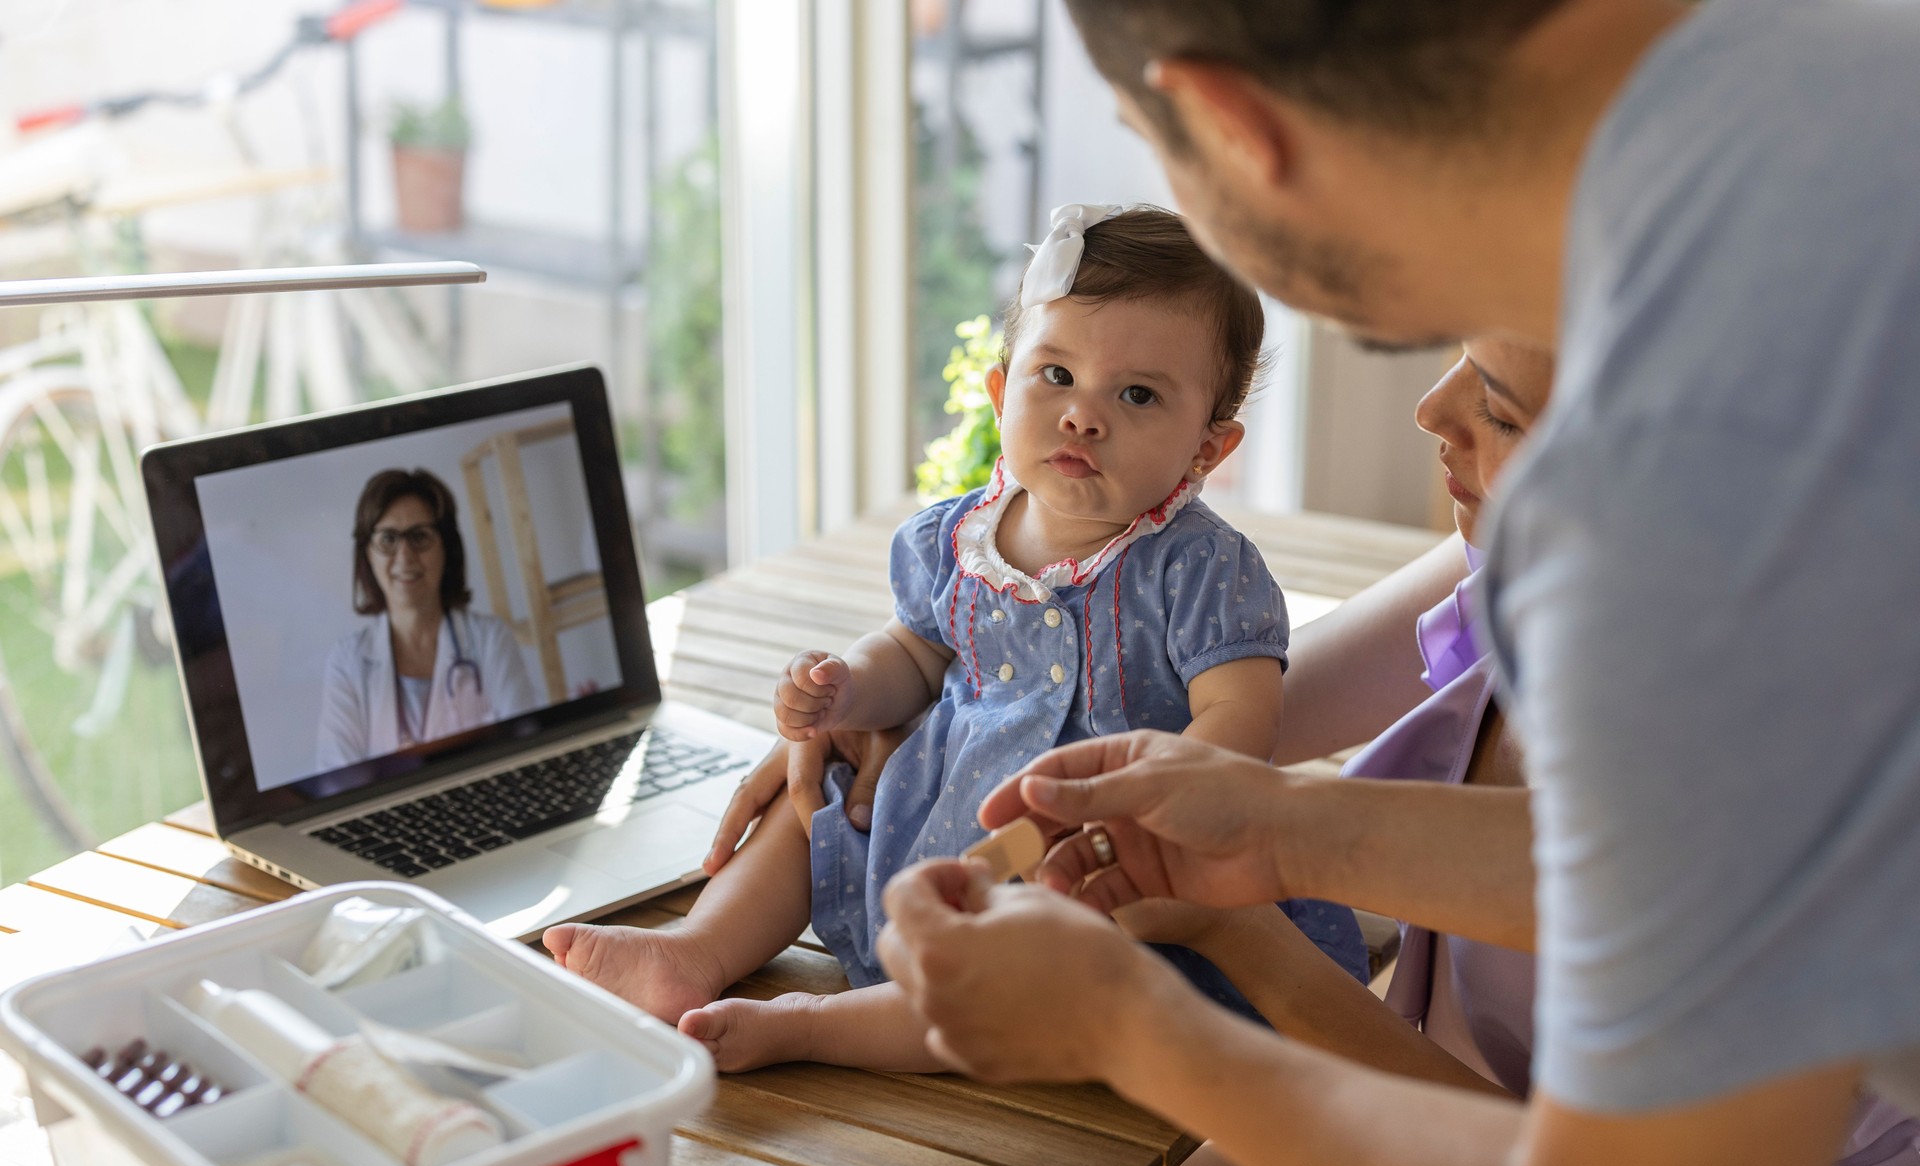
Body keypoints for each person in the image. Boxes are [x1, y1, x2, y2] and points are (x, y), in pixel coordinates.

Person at [873, 2, 1920, 1166]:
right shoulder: (1827, 99)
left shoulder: (1693, 476)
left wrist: (1134, 1029)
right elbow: (1726, 860)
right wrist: (1263, 823)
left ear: (1231, 129)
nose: (1444, 413)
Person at [544, 206, 1365, 1071]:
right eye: (1057, 374)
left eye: (1137, 394)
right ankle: (695, 950)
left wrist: (1148, 812)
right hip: (932, 810)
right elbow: (916, 652)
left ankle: (816, 1029)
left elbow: (1239, 717)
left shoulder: (1200, 568)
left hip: (1094, 860)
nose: (1084, 416)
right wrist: (847, 686)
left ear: (1209, 447)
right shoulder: (962, 536)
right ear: (1001, 390)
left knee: (1037, 981)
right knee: (814, 794)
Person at [315, 468, 537, 774]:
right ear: (367, 553)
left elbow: (528, 750)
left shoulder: (490, 639)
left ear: (446, 548)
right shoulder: (346, 662)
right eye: (388, 539)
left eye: (420, 537)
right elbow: (338, 785)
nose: (405, 556)